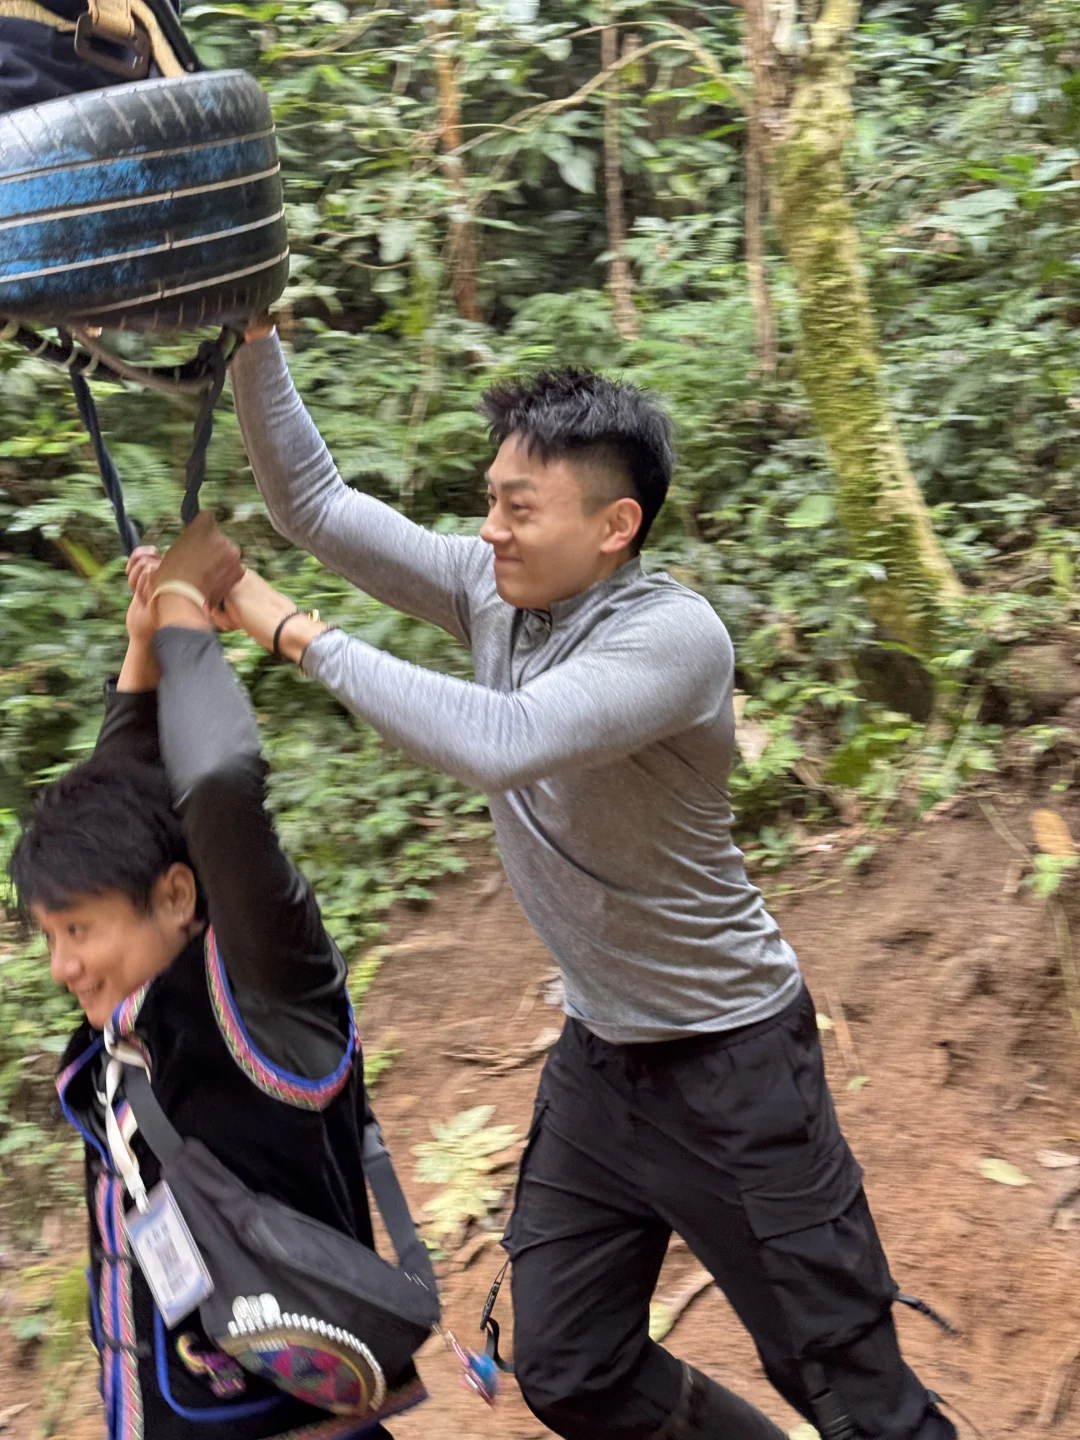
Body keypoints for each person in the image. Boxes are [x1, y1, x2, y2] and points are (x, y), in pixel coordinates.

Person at [213, 320, 957, 1440]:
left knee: (853, 1396)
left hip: (734, 1068)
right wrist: (253, 338)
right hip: (603, 1062)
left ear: (616, 526)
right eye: (491, 497)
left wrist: (285, 628)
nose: (490, 528)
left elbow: (502, 739)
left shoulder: (672, 640)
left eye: (521, 507)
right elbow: (313, 506)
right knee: (569, 1363)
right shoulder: (491, 590)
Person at [8, 514, 424, 1440]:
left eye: (76, 931)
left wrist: (192, 611)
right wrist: (147, 645)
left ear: (179, 894)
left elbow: (222, 790)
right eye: (49, 935)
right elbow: (121, 816)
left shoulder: (267, 986)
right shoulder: (137, 999)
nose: (63, 965)